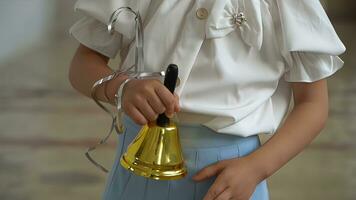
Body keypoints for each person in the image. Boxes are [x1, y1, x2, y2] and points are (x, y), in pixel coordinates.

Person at [69, 0, 346, 199]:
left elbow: (313, 104)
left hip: (232, 178)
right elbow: (83, 64)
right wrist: (122, 87)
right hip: (138, 171)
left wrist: (256, 168)